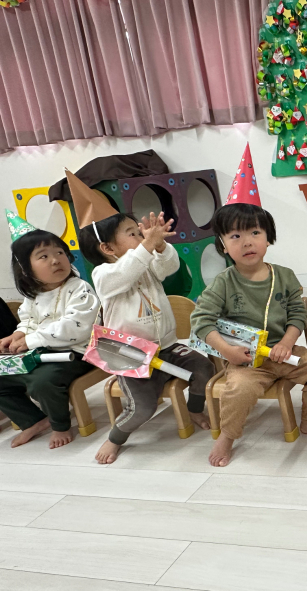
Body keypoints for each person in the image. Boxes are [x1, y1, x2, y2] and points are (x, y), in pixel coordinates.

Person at [73, 170, 214, 465]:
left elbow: (169, 267)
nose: (141, 237)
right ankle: (116, 437)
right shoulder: (103, 274)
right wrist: (148, 246)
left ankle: (195, 409)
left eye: (140, 232)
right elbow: (126, 272)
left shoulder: (145, 261)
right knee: (143, 408)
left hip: (167, 346)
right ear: (107, 248)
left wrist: (160, 247)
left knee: (204, 367)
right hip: (130, 355)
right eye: (133, 234)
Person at [191, 201, 307, 467]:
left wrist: (288, 342)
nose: (247, 242)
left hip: (284, 352)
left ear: (268, 238)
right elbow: (201, 321)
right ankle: (227, 436)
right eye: (235, 236)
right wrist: (227, 351)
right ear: (223, 245)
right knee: (238, 389)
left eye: (255, 233)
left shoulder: (284, 276)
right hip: (244, 359)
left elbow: (298, 313)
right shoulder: (223, 283)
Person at [0, 213, 99, 449]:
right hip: (42, 353)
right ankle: (33, 420)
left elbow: (76, 327)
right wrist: (19, 334)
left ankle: (60, 425)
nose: (55, 260)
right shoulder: (34, 296)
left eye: (59, 253)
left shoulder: (80, 288)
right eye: (43, 256)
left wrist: (31, 340)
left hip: (77, 353)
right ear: (25, 269)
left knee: (42, 382)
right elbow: (28, 320)